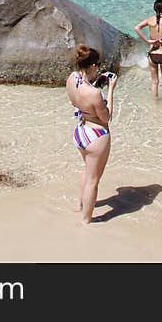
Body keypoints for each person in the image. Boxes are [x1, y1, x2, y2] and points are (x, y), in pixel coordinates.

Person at [66, 44, 117, 224]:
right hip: (96, 135)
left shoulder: (71, 79)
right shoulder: (95, 93)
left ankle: (80, 205)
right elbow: (106, 117)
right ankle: (86, 220)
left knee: (87, 172)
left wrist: (96, 84)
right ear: (93, 66)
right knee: (93, 181)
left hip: (80, 131)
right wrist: (110, 89)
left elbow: (82, 97)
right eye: (98, 64)